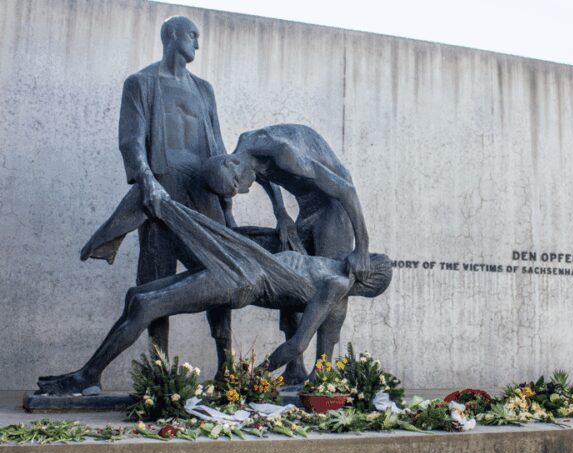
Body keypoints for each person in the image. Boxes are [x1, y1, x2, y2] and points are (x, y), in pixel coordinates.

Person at [37, 156, 392, 396]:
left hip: (243, 281)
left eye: (370, 259)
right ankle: (88, 375)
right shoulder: (327, 264)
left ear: (368, 279)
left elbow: (298, 344)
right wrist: (279, 213)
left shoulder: (336, 285)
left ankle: (87, 376)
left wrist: (254, 377)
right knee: (137, 296)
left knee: (146, 304)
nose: (362, 255)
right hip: (245, 261)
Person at [116, 16, 233, 374]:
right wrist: (147, 182)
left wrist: (227, 205)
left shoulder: (204, 90)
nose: (197, 42)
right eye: (192, 35)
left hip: (203, 191)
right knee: (156, 278)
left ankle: (227, 368)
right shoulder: (141, 83)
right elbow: (131, 140)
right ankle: (159, 372)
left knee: (222, 273)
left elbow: (218, 146)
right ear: (172, 35)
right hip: (163, 190)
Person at [227, 124, 372, 383]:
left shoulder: (283, 152)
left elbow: (346, 190)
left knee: (334, 281)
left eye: (237, 185)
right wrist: (281, 213)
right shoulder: (245, 147)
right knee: (290, 280)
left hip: (335, 207)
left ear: (232, 163)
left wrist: (362, 247)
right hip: (307, 209)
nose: (242, 192)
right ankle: (295, 368)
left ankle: (322, 370)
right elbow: (261, 174)